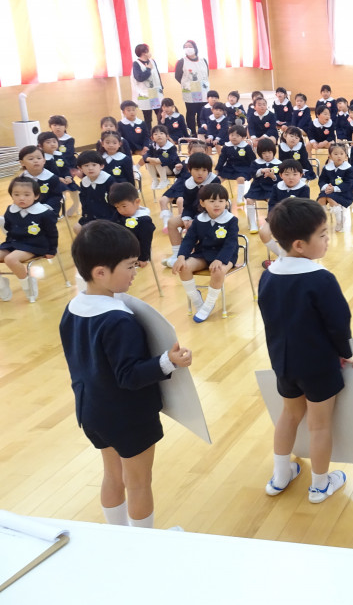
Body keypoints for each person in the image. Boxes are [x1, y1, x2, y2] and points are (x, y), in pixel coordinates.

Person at [59, 220, 192, 527]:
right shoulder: (118, 320)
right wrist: (168, 361)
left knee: (112, 474)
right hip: (128, 416)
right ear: (100, 273)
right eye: (130, 266)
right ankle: (141, 547)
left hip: (92, 410)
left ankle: (117, 536)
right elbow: (129, 375)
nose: (135, 272)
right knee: (138, 482)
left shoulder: (73, 308)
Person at [258, 198, 353, 503]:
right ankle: (320, 485)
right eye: (322, 235)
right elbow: (338, 322)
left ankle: (280, 475)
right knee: (320, 425)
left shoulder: (268, 274)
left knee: (288, 415)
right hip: (318, 365)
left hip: (283, 363)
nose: (328, 239)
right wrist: (345, 350)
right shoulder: (321, 278)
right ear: (299, 245)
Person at [172, 183, 239, 323]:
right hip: (203, 253)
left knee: (218, 271)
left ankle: (208, 305)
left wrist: (220, 259)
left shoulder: (231, 220)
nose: (217, 204)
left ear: (226, 203)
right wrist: (181, 256)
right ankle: (197, 300)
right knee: (184, 267)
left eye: (221, 201)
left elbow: (231, 243)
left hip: (226, 256)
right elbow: (189, 239)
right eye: (212, 201)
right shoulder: (198, 220)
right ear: (202, 203)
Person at [0, 176, 58, 302]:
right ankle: (2, 284)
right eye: (16, 194)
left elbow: (52, 233)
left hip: (35, 245)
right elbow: (8, 228)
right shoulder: (10, 210)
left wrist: (52, 250)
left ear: (36, 196)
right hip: (14, 243)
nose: (21, 198)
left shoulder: (44, 213)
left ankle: (28, 285)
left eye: (27, 195)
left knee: (11, 259)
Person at [163, 152, 220, 267]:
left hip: (212, 215)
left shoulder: (214, 182)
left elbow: (214, 206)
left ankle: (190, 254)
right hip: (194, 214)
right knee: (172, 222)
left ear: (209, 171)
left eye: (204, 170)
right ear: (189, 170)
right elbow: (188, 205)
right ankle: (177, 255)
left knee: (194, 227)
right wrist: (186, 218)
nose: (200, 173)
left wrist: (195, 220)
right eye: (196, 169)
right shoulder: (188, 183)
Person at [109, 182, 155, 267]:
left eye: (124, 206)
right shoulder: (119, 214)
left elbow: (145, 241)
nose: (121, 210)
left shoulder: (145, 220)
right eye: (117, 207)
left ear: (137, 202)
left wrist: (143, 258)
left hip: (134, 254)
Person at [75, 150, 117, 232]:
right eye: (86, 165)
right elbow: (84, 202)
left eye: (94, 165)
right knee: (77, 228)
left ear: (101, 166)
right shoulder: (84, 182)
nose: (90, 168)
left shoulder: (109, 180)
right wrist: (85, 215)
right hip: (91, 216)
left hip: (108, 216)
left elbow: (114, 204)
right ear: (80, 168)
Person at [174, 39, 210, 133]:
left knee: (202, 113)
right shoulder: (182, 61)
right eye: (185, 47)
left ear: (195, 48)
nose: (188, 48)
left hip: (203, 92)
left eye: (190, 46)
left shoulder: (203, 60)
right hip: (190, 93)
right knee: (191, 113)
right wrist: (187, 85)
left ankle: (202, 132)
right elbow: (177, 76)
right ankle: (192, 133)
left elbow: (206, 74)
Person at [215, 125, 257, 206]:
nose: (234, 137)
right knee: (217, 180)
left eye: (237, 136)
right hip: (229, 168)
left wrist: (253, 170)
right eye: (232, 135)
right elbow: (222, 159)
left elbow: (252, 160)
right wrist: (217, 169)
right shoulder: (226, 146)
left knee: (240, 179)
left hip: (243, 168)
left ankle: (239, 198)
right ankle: (217, 196)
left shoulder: (246, 147)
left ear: (243, 137)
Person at [318, 144, 353, 232]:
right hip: (329, 191)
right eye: (335, 154)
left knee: (330, 198)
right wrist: (326, 187)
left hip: (344, 193)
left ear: (346, 156)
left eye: (341, 154)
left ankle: (340, 221)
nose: (339, 156)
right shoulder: (327, 168)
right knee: (321, 199)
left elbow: (348, 183)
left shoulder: (349, 168)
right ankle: (321, 222)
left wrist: (334, 189)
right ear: (330, 156)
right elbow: (322, 180)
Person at [19, 144, 62, 212]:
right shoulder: (21, 179)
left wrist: (44, 208)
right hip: (27, 208)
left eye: (39, 158)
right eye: (31, 159)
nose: (36, 161)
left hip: (47, 209)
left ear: (44, 161)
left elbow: (56, 196)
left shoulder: (52, 178)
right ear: (22, 163)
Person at [130, 43, 164, 125]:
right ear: (144, 52)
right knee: (148, 118)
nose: (149, 52)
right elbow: (139, 77)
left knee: (160, 115)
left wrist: (161, 88)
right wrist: (148, 69)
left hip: (155, 93)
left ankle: (161, 131)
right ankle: (149, 133)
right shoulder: (136, 63)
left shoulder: (152, 61)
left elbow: (157, 76)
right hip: (144, 94)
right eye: (148, 50)